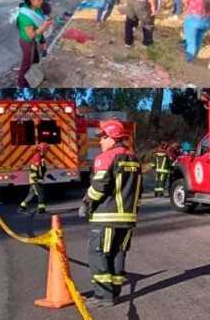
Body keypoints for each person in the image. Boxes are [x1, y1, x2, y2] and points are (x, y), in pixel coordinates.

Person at [78, 120, 142, 308]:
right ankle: (113, 292)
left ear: (113, 137)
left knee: (97, 254)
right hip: (127, 219)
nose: (100, 142)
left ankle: (102, 296)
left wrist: (86, 204)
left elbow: (99, 187)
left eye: (103, 137)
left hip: (106, 217)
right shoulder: (134, 159)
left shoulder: (105, 158)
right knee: (118, 253)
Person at [16, 0, 54, 88]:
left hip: (33, 42)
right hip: (28, 42)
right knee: (26, 65)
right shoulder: (25, 16)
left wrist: (47, 21)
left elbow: (40, 19)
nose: (41, 2)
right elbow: (31, 34)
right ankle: (22, 84)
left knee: (35, 60)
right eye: (39, 0)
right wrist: (44, 27)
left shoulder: (35, 8)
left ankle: (33, 78)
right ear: (31, 0)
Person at [18, 142, 50, 214]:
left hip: (37, 180)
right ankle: (41, 210)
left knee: (31, 195)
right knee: (41, 194)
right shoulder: (37, 157)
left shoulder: (42, 158)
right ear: (43, 150)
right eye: (46, 150)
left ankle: (21, 208)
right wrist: (35, 179)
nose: (47, 152)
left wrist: (49, 175)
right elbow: (33, 169)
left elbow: (43, 169)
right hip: (36, 180)